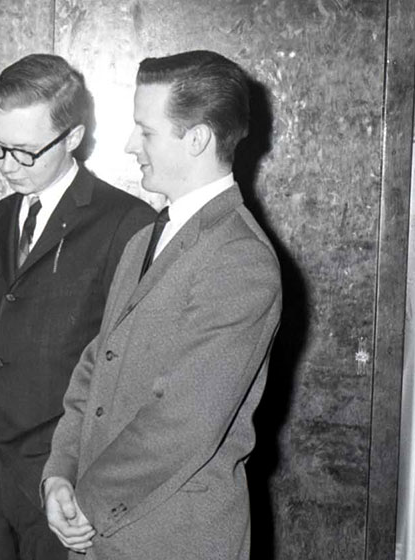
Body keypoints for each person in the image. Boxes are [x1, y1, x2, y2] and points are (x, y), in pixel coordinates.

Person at [41, 50, 282, 559]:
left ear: (196, 139)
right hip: (100, 533)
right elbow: (94, 368)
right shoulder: (145, 239)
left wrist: (87, 500)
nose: (130, 145)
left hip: (173, 540)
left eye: (145, 131)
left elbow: (184, 421)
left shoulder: (241, 259)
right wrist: (59, 473)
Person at [0, 54, 155, 560]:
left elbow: (131, 378)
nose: (8, 165)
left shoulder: (128, 224)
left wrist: (96, 490)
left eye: (25, 151)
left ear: (73, 137)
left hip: (70, 488)